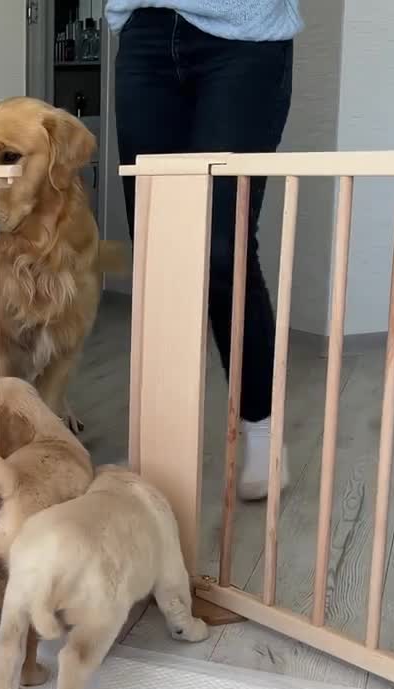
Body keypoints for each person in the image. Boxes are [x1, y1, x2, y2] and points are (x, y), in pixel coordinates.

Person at [107, 0, 302, 500]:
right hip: (144, 29)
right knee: (157, 250)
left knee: (222, 249)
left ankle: (260, 428)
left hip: (244, 36)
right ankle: (159, 443)